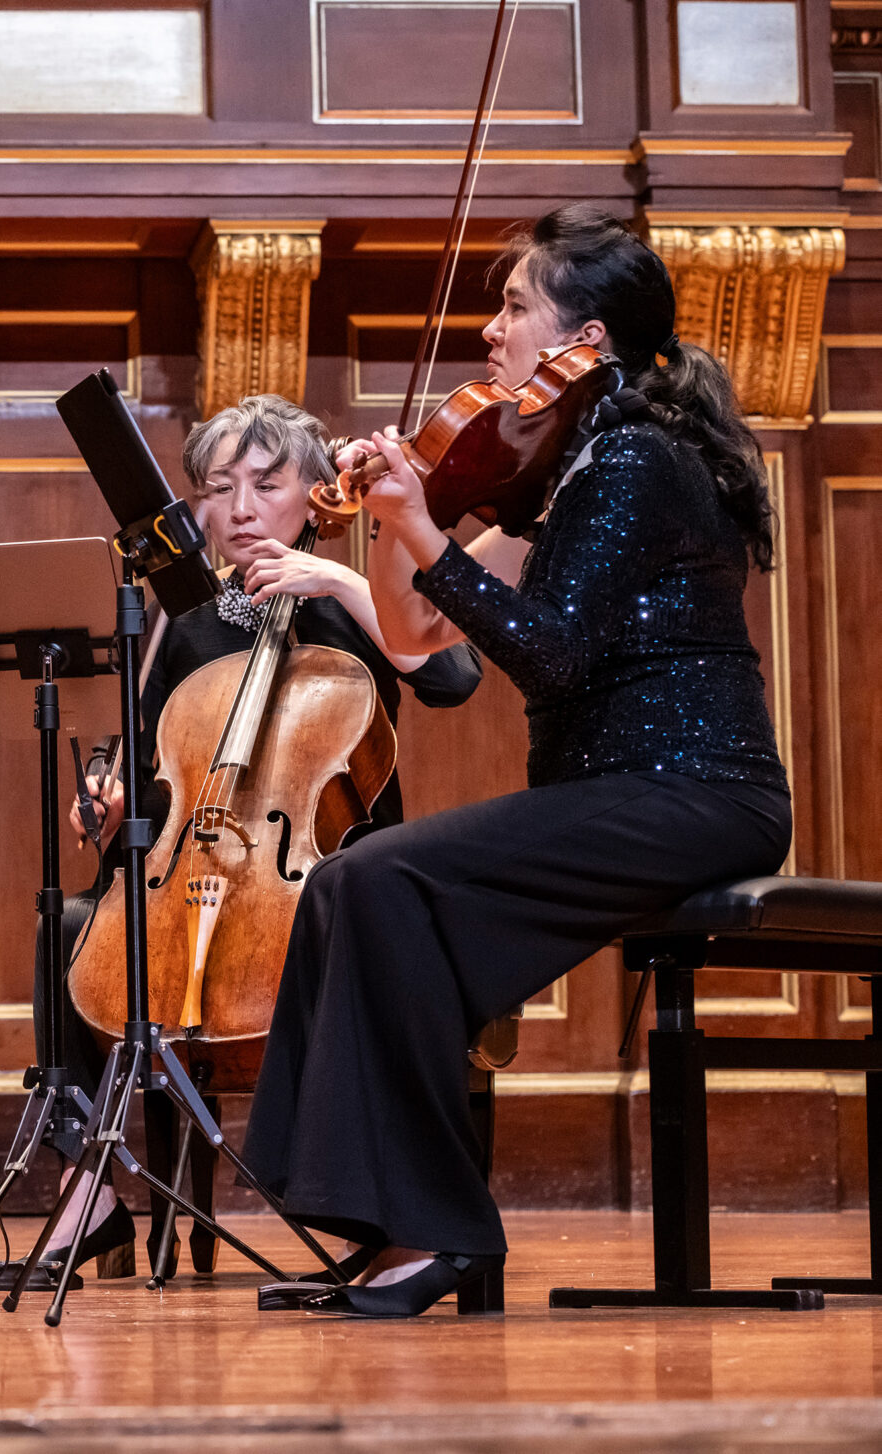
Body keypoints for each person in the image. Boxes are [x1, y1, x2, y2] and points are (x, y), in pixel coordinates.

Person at [244, 203, 793, 1317]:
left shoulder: (636, 458)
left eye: (511, 307)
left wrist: (427, 529)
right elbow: (411, 640)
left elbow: (546, 657)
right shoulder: (563, 469)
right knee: (366, 884)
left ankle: (434, 1230)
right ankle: (412, 1225)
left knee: (381, 876)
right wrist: (408, 517)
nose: (489, 333)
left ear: (581, 339)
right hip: (621, 792)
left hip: (695, 792)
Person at [33, 394, 482, 1276]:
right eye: (218, 487)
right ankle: (88, 1191)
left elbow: (456, 677)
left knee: (344, 931)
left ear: (320, 492)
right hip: (202, 876)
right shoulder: (192, 630)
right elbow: (167, 786)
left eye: (267, 484)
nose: (239, 509)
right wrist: (117, 805)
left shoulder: (366, 600)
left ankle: (375, 1216)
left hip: (333, 878)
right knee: (68, 926)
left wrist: (347, 584)